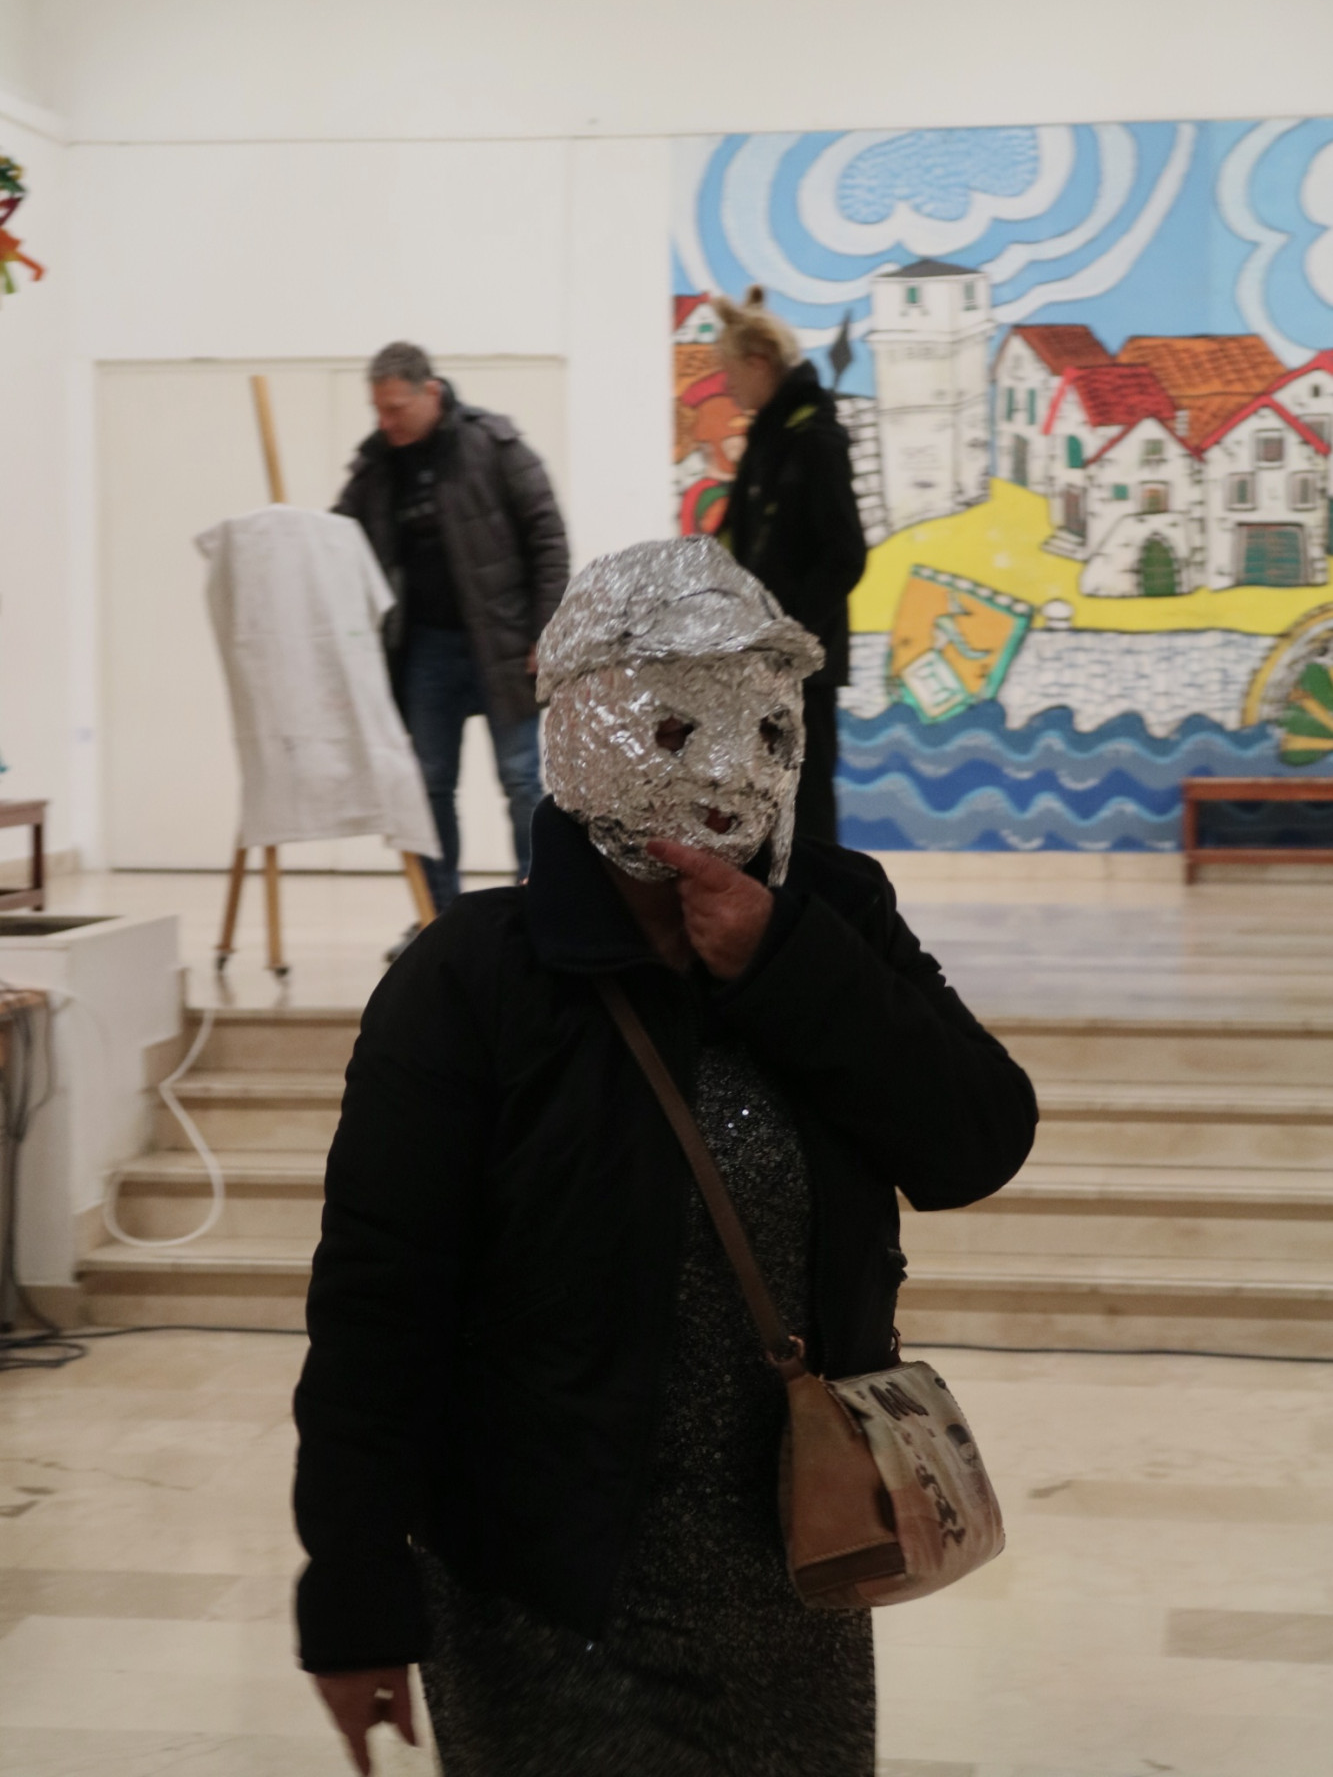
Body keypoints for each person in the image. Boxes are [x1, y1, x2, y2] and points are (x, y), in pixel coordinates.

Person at [293, 536, 1037, 1777]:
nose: (733, 772)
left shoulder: (836, 915)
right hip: (546, 1588)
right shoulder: (473, 978)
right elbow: (379, 1301)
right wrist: (355, 1589)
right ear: (586, 734)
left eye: (767, 729)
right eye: (679, 730)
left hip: (795, 1563)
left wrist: (784, 962)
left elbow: (974, 1140)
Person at [334, 341, 569, 915]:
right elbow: (333, 542)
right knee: (428, 786)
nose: (386, 422)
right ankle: (439, 917)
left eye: (396, 409)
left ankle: (538, 906)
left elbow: (548, 538)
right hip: (424, 652)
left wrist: (546, 630)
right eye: (378, 410)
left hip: (503, 644)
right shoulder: (376, 467)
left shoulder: (494, 446)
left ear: (431, 393)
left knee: (521, 780)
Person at [714, 286, 866, 843]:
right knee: (762, 804)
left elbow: (846, 555)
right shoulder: (769, 438)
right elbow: (734, 541)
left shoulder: (814, 439)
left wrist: (789, 635)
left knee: (807, 807)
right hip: (758, 663)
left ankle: (817, 898)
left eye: (730, 372)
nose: (726, 386)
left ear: (759, 363)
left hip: (801, 666)